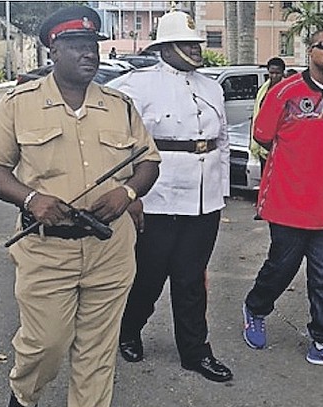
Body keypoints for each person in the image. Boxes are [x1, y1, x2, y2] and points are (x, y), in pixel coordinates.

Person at [0, 6, 161, 407]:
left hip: (110, 248)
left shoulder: (120, 105)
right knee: (46, 345)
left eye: (92, 45)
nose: (88, 54)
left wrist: (128, 192)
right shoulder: (19, 104)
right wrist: (31, 198)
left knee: (97, 348)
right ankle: (24, 397)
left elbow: (148, 161)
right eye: (76, 45)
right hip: (46, 248)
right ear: (53, 51)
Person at [109, 10, 233, 383]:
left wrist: (219, 191)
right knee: (148, 277)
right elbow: (119, 147)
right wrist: (130, 194)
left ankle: (196, 352)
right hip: (158, 197)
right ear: (164, 46)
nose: (195, 50)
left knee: (192, 279)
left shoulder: (212, 87)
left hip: (202, 198)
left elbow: (221, 143)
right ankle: (128, 330)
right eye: (186, 43)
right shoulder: (133, 87)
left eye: (197, 43)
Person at [241, 29, 323, 374]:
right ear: (310, 51)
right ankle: (256, 308)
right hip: (287, 202)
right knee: (281, 268)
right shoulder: (285, 92)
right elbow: (262, 135)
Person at [250, 57, 286, 172]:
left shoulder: (287, 90)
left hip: (280, 145)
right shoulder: (263, 90)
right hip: (263, 145)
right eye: (271, 73)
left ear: (283, 73)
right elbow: (256, 114)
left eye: (277, 73)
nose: (274, 76)